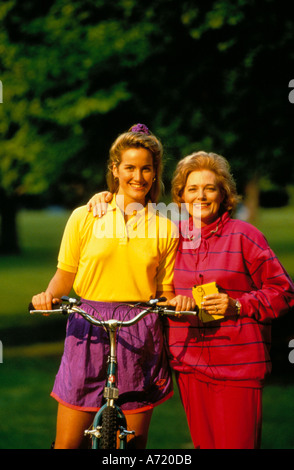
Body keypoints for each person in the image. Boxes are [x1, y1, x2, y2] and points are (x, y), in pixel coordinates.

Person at [88, 150, 294, 449]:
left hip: (237, 365)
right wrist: (104, 198)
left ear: (223, 194)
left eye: (210, 188)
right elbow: (130, 229)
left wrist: (238, 305)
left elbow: (283, 290)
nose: (201, 196)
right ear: (181, 196)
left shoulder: (244, 236)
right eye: (192, 189)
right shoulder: (170, 234)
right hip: (189, 364)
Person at [31, 123, 180, 449]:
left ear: (155, 173)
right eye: (130, 167)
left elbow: (164, 291)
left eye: (146, 168)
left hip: (140, 329)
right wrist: (47, 297)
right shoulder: (85, 216)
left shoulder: (166, 228)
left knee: (133, 445)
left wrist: (177, 305)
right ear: (115, 169)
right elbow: (64, 277)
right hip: (87, 327)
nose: (138, 177)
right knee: (68, 442)